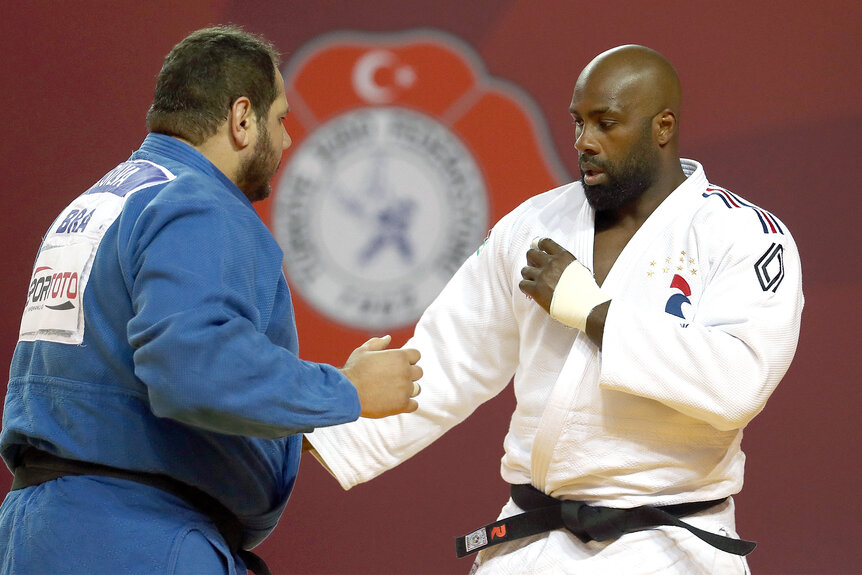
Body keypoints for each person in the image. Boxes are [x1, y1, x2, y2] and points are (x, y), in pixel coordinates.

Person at [305, 44, 803, 574]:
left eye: (605, 123)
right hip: (532, 541)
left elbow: (738, 383)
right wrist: (311, 428)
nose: (585, 143)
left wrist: (593, 312)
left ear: (663, 127)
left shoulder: (741, 235)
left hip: (669, 546)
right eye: (578, 123)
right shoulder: (534, 223)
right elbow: (448, 361)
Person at [0, 25, 422, 575]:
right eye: (281, 120)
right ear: (241, 119)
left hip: (41, 533)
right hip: (139, 540)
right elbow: (190, 365)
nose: (288, 141)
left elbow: (112, 388)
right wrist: (346, 390)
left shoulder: (103, 201)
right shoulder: (196, 200)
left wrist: (287, 427)